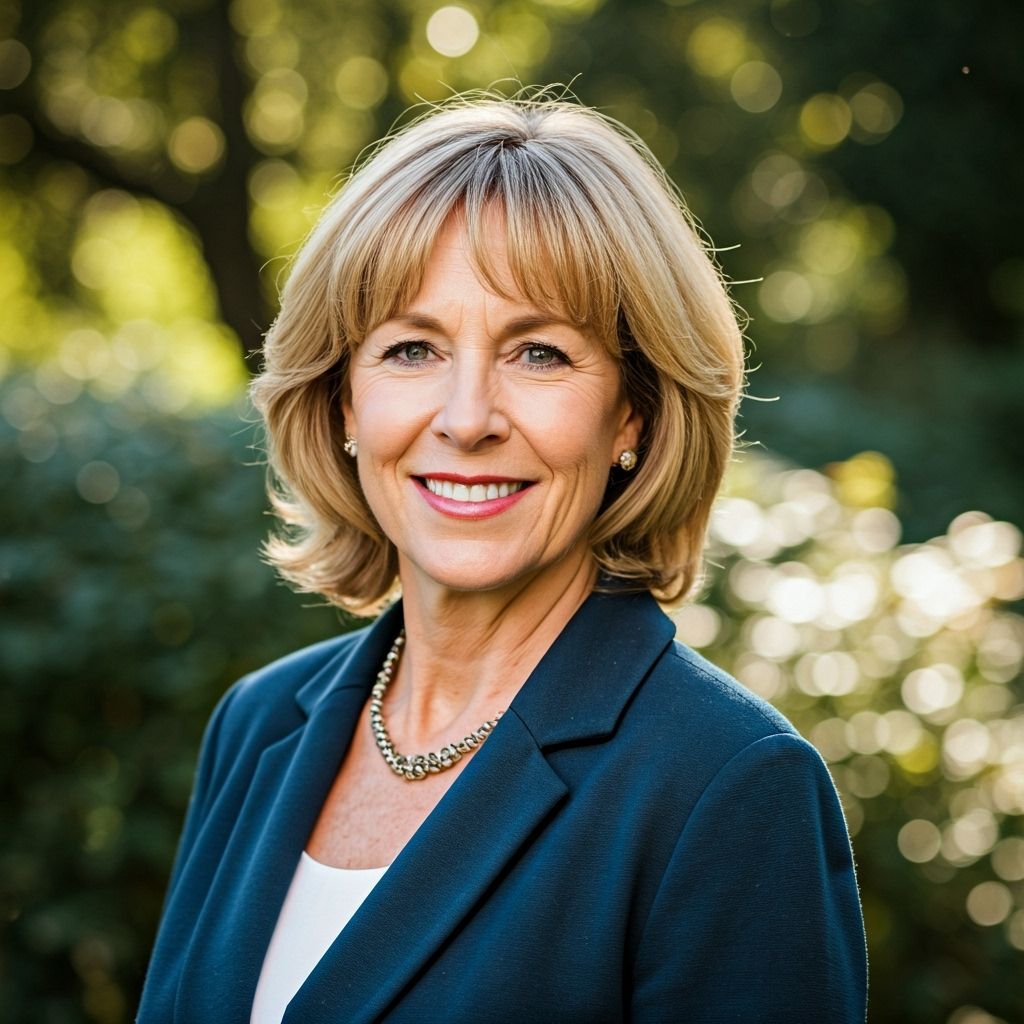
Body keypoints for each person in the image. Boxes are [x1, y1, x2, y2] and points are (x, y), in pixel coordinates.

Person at [137, 91, 868, 1023]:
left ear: (633, 415)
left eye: (539, 355)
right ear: (344, 402)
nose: (468, 417)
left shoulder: (731, 788)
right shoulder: (258, 726)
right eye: (411, 350)